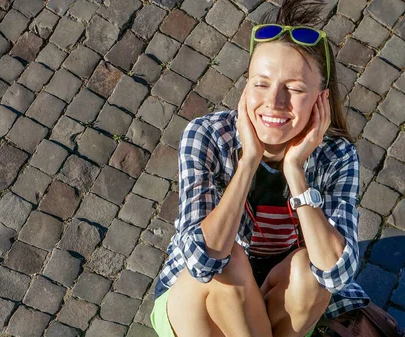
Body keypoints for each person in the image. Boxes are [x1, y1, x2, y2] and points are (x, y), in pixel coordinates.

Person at [150, 1, 370, 336]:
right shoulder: (207, 136)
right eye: (261, 83)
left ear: (320, 99)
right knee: (230, 263)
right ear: (246, 87)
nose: (275, 102)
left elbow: (335, 274)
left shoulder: (337, 156)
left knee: (309, 272)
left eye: (294, 89)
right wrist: (248, 161)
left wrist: (295, 171)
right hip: (199, 300)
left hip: (276, 300)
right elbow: (202, 262)